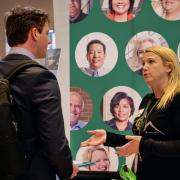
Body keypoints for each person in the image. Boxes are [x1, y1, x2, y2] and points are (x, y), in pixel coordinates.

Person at [0, 6, 78, 180]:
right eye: (46, 33)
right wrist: (66, 169)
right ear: (34, 33)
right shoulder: (41, 77)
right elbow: (54, 140)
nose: (49, 41)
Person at [81, 46, 180, 180]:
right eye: (143, 63)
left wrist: (144, 145)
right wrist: (109, 138)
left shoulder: (177, 98)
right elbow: (140, 141)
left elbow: (145, 144)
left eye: (151, 62)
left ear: (168, 67)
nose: (144, 67)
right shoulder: (147, 100)